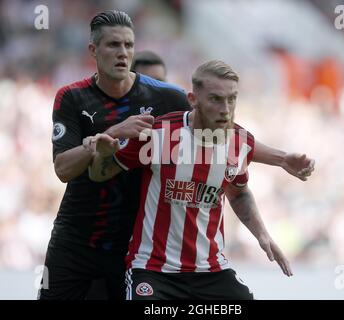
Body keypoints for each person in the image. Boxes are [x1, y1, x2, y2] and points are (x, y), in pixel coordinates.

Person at [41, 10, 313, 300]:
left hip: (130, 241)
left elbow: (220, 128)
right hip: (79, 234)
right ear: (93, 50)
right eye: (113, 45)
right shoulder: (72, 97)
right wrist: (113, 134)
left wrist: (282, 158)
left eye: (128, 45)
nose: (123, 53)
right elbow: (63, 169)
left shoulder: (166, 97)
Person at [88, 60, 295, 300]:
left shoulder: (239, 142)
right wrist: (105, 150)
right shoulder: (159, 134)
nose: (226, 109)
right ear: (193, 99)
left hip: (212, 271)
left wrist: (262, 235)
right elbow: (98, 173)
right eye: (216, 99)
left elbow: (238, 192)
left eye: (232, 99)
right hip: (155, 270)